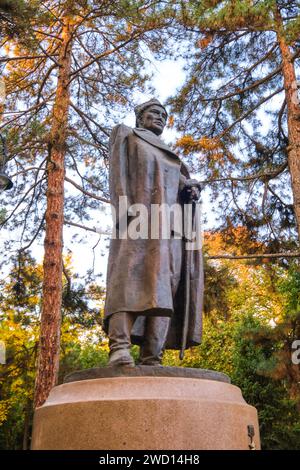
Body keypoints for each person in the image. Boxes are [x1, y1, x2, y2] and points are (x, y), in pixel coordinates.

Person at [103, 98, 203, 366]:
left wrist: (190, 188)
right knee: (128, 279)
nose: (159, 117)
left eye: (163, 114)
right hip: (138, 219)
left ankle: (152, 355)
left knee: (166, 287)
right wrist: (125, 213)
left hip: (170, 229)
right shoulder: (127, 134)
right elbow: (118, 176)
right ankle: (120, 348)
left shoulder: (171, 156)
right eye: (153, 112)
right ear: (140, 117)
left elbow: (181, 187)